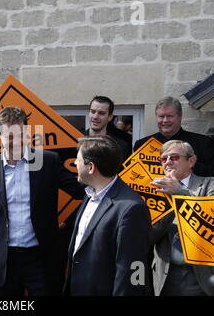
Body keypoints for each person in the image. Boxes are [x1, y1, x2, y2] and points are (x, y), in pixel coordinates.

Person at [0, 106, 84, 295]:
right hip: (4, 260)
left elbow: (79, 191)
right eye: (8, 135)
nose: (14, 141)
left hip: (42, 258)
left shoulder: (49, 161)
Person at [64, 136, 151, 296]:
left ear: (91, 168)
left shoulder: (131, 208)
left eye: (78, 160)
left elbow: (132, 270)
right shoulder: (89, 194)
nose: (75, 164)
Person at [150, 140, 214, 296]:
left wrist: (179, 192)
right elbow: (150, 236)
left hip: (200, 275)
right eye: (163, 159)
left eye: (174, 157)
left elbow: (208, 220)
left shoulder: (209, 184)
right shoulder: (153, 190)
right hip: (165, 274)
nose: (168, 162)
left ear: (191, 161)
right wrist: (168, 204)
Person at [133, 96, 214, 177]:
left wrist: (185, 162)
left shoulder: (203, 143)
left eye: (170, 116)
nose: (165, 120)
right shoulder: (142, 145)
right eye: (161, 116)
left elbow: (210, 175)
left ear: (180, 117)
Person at [84, 96, 132, 162]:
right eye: (93, 111)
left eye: (101, 113)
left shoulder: (121, 146)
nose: (95, 116)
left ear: (110, 117)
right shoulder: (74, 140)